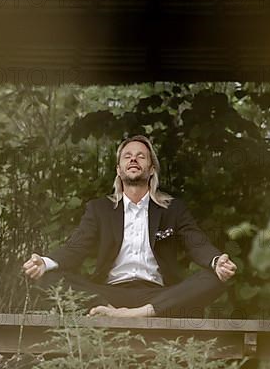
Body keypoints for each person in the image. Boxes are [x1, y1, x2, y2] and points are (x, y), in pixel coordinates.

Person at [22, 135, 237, 318]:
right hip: (108, 293)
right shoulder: (99, 209)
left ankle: (141, 314)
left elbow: (196, 242)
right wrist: (45, 262)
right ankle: (106, 309)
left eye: (141, 156)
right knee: (48, 276)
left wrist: (217, 262)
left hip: (158, 295)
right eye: (127, 156)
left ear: (151, 169)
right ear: (119, 169)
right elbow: (75, 248)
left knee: (214, 278)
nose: (133, 158)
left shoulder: (173, 209)